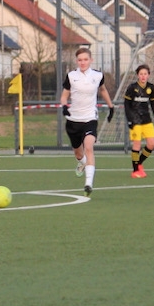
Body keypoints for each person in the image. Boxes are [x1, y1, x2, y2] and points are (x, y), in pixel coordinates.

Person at [59, 47, 115, 197]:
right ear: (76, 61)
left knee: (89, 147)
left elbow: (102, 90)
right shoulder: (71, 76)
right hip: (73, 120)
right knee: (79, 154)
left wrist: (111, 106)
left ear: (91, 60)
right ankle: (82, 162)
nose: (83, 62)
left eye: (85, 59)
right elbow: (64, 95)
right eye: (80, 60)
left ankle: (88, 183)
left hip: (90, 118)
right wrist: (64, 106)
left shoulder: (98, 75)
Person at [123, 63, 154, 178]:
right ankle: (135, 171)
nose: (143, 76)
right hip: (135, 120)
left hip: (147, 120)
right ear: (137, 75)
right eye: (141, 74)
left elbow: (153, 104)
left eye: (145, 74)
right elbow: (126, 105)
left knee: (152, 143)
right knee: (137, 144)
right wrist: (129, 120)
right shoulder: (132, 87)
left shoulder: (151, 87)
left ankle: (139, 163)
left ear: (148, 75)